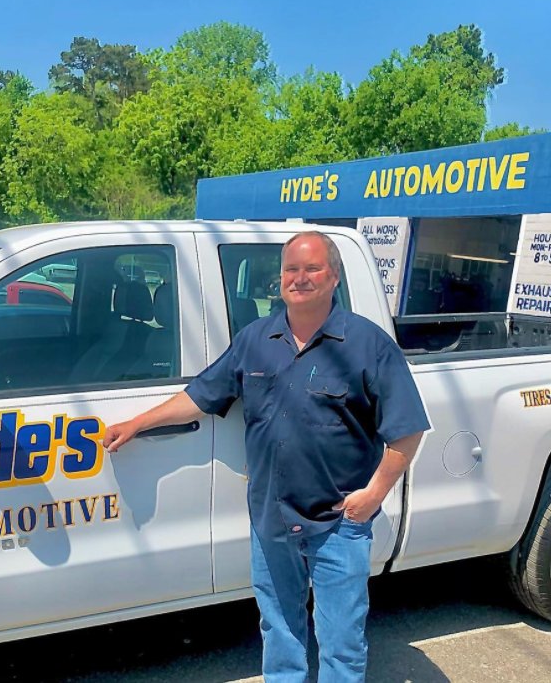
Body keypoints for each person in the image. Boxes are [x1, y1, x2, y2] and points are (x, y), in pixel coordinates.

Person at [103, 231, 430, 682]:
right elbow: (201, 395)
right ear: (279, 279)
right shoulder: (256, 339)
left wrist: (373, 495)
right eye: (291, 269)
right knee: (280, 634)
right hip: (271, 518)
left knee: (342, 643)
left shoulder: (368, 345)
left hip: (339, 522)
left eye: (312, 268)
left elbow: (408, 430)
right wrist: (138, 423)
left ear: (334, 276)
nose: (300, 278)